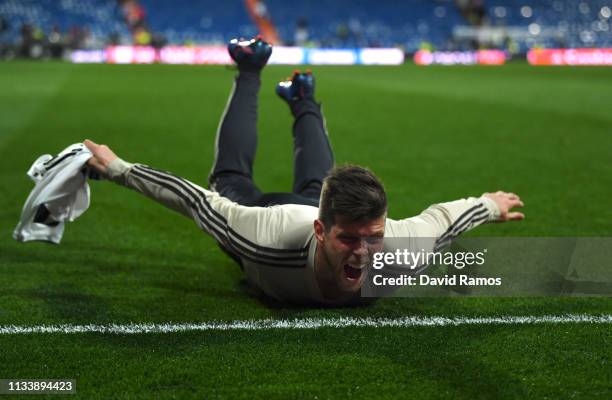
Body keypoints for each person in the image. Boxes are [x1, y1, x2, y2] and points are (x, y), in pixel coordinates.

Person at [84, 37, 524, 305]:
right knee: (228, 181)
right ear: (321, 230)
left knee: (319, 184)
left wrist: (489, 205)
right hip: (272, 212)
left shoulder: (397, 250)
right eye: (349, 239)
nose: (364, 252)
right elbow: (199, 201)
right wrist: (120, 169)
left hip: (313, 205)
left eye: (373, 236)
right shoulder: (263, 237)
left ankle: (304, 97)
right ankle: (250, 70)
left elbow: (444, 219)